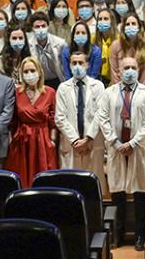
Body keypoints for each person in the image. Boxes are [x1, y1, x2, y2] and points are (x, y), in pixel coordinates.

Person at [98, 56, 145, 251]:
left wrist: (133, 142)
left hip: (138, 147)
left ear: (138, 70)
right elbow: (103, 118)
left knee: (140, 191)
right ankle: (119, 233)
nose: (130, 71)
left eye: (133, 67)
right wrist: (115, 142)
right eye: (126, 68)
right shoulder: (108, 93)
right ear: (119, 71)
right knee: (118, 192)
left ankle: (140, 234)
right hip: (116, 147)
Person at [55, 51, 107, 195]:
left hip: (92, 142)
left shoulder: (98, 86)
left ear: (87, 65)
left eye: (80, 63)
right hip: (72, 144)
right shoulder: (63, 88)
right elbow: (60, 117)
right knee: (71, 187)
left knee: (93, 187)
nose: (77, 66)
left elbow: (101, 114)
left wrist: (87, 139)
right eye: (74, 63)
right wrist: (76, 141)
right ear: (70, 65)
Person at [5, 56, 58, 187]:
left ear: (39, 72)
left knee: (43, 178)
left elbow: (53, 119)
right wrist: (12, 139)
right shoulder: (16, 92)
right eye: (26, 71)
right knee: (21, 178)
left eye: (32, 70)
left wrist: (52, 141)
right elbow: (12, 120)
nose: (29, 74)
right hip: (22, 139)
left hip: (43, 140)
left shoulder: (50, 92)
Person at [110, 12, 145, 85]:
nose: (130, 26)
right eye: (127, 24)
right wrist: (120, 90)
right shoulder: (115, 45)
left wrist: (139, 90)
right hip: (119, 87)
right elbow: (114, 72)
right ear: (123, 28)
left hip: (140, 87)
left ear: (139, 27)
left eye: (133, 24)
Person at [28, 12, 66, 89]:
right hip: (38, 81)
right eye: (37, 27)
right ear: (32, 28)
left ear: (48, 26)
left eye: (43, 26)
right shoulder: (28, 45)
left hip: (57, 79)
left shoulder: (60, 43)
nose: (40, 29)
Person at [94, 9, 118, 84]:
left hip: (115, 80)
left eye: (106, 19)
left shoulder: (118, 40)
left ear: (112, 22)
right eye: (100, 19)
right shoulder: (93, 39)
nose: (102, 21)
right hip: (97, 80)